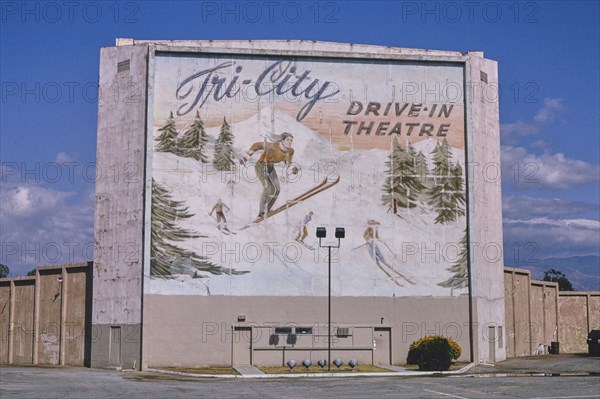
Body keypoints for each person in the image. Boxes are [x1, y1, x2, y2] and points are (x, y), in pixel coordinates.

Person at [241, 132, 298, 218]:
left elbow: (288, 163)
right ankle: (260, 213)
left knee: (277, 189)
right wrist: (245, 157)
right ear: (282, 140)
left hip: (270, 168)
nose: (290, 142)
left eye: (291, 140)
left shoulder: (290, 151)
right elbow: (257, 145)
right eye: (287, 140)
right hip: (261, 166)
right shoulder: (273, 146)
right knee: (268, 188)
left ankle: (267, 209)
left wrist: (293, 169)